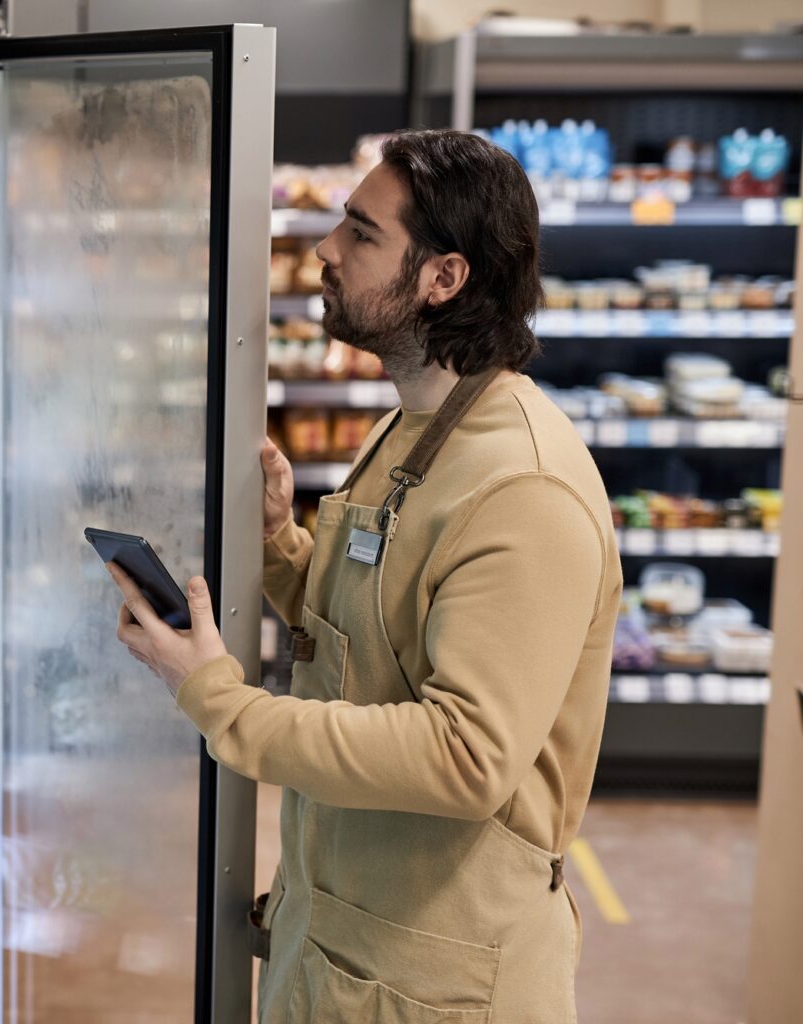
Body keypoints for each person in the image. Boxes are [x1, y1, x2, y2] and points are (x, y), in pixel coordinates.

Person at [107, 129, 621, 1023]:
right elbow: (378, 637)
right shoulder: (414, 427)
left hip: (440, 985)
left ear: (443, 278)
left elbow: (467, 758)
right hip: (350, 951)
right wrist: (279, 547)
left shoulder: (524, 489)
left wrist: (219, 701)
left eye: (361, 231)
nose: (325, 250)